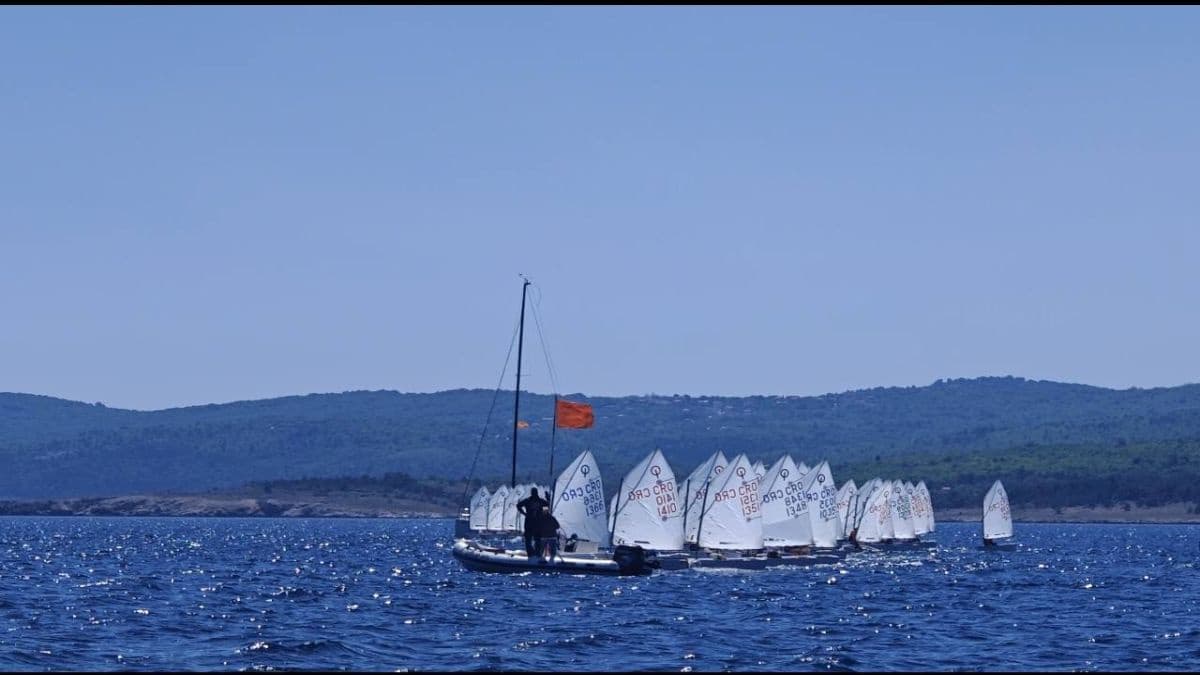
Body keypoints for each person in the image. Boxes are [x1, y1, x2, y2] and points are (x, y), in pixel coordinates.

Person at [516, 487, 549, 557]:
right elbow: (547, 505)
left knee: (531, 540)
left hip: (531, 523)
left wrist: (524, 513)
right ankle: (536, 554)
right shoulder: (540, 501)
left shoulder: (528, 500)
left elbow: (518, 505)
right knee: (535, 540)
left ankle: (532, 554)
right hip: (536, 523)